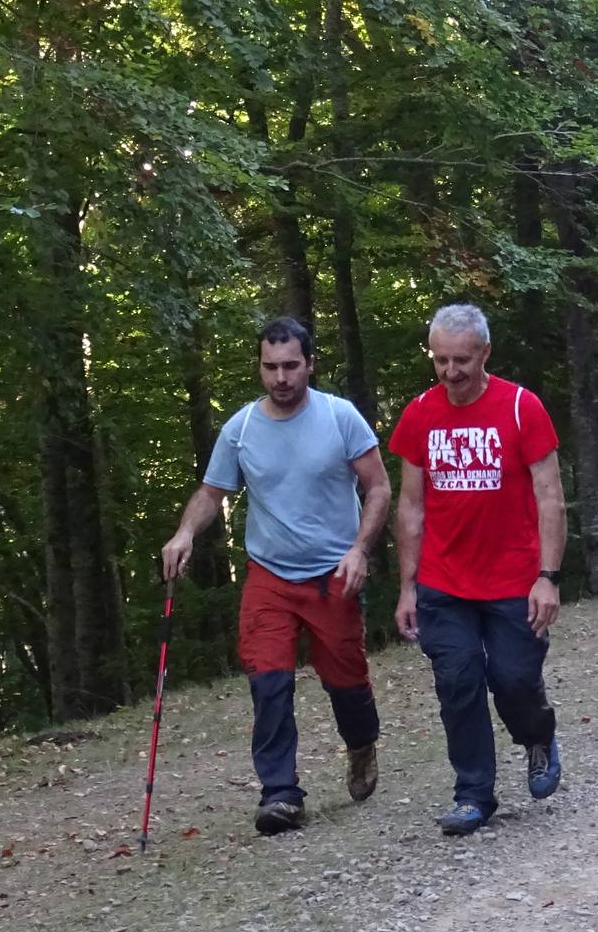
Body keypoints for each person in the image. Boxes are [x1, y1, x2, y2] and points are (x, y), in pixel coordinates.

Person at [161, 317, 391, 836]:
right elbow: (210, 493)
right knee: (268, 681)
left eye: (291, 366)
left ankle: (361, 745)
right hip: (269, 575)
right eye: (271, 367)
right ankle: (280, 793)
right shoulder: (241, 429)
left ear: (310, 363)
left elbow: (378, 488)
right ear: (259, 367)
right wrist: (185, 534)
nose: (281, 377)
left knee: (346, 681)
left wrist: (359, 550)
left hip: (334, 574)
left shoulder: (340, 417)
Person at [390, 304, 568, 837]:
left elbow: (550, 497)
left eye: (462, 360)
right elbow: (410, 507)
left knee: (513, 680)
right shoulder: (420, 414)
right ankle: (473, 794)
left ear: (485, 352)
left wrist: (548, 576)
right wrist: (407, 587)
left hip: (515, 580)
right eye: (440, 360)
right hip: (444, 582)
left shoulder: (521, 407)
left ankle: (537, 736)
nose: (450, 372)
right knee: (457, 679)